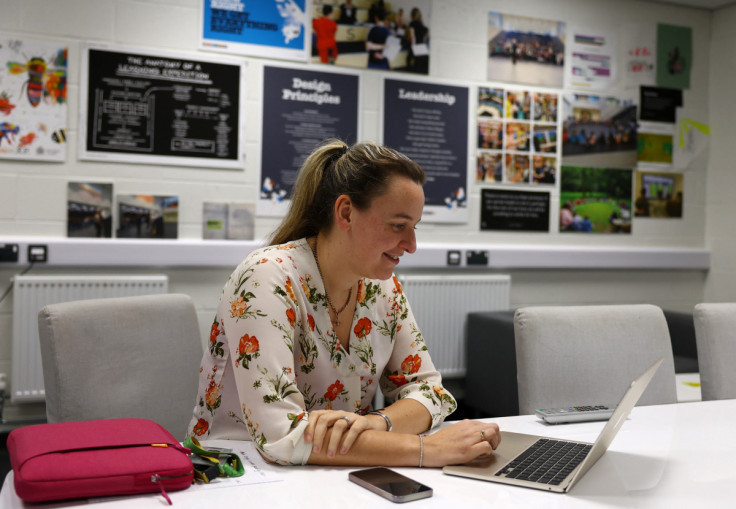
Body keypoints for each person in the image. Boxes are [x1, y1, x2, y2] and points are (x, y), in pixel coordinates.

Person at [188, 139, 500, 468]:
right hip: (236, 472)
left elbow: (429, 391)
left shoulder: (383, 288)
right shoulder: (266, 277)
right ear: (346, 213)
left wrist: (377, 422)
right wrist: (428, 451)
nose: (411, 245)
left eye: (414, 228)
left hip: (334, 469)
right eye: (398, 226)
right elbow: (280, 435)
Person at [406, 7, 429, 74]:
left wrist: (413, 48)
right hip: (422, 47)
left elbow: (413, 37)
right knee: (420, 66)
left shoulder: (412, 24)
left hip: (416, 46)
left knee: (408, 60)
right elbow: (425, 38)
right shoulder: (423, 25)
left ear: (412, 15)